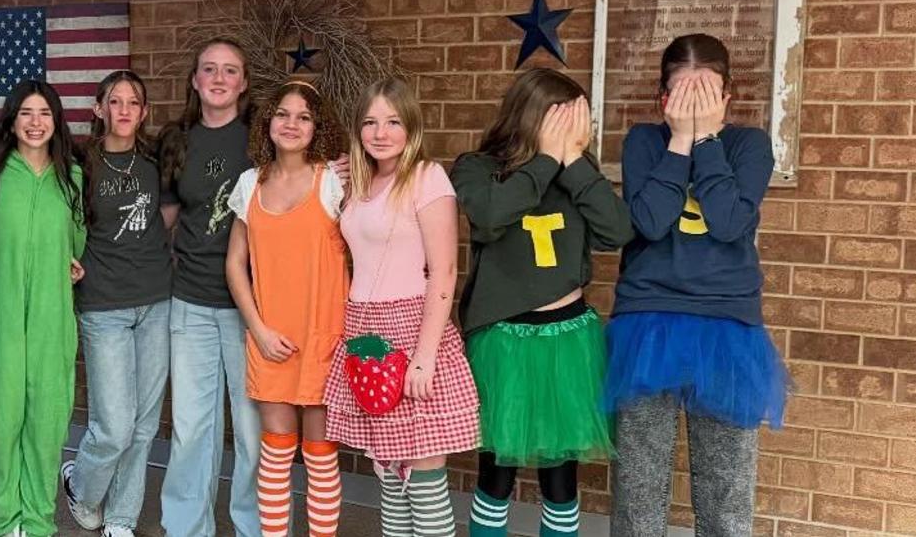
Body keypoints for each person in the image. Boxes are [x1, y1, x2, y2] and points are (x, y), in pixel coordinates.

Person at [607, 34, 786, 537]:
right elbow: (649, 220)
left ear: (727, 95)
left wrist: (707, 140)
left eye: (704, 93)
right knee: (639, 487)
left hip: (726, 323)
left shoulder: (749, 145)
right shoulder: (644, 142)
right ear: (662, 97)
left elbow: (728, 222)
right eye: (682, 93)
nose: (692, 104)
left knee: (726, 490)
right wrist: (680, 141)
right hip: (648, 321)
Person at [451, 69, 632, 537]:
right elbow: (490, 215)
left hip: (567, 339)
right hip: (503, 340)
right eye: (565, 118)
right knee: (496, 473)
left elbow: (617, 231)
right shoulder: (477, 167)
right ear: (535, 115)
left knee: (560, 478)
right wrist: (547, 159)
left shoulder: (577, 173)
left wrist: (573, 163)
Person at [324, 78, 481, 537]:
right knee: (391, 480)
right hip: (364, 333)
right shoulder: (357, 182)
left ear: (411, 126)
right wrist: (329, 179)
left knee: (424, 482)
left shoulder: (427, 177)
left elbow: (444, 272)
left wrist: (425, 356)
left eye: (393, 122)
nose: (381, 133)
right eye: (370, 122)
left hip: (413, 330)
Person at [225, 81, 349, 537]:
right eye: (282, 114)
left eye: (304, 117)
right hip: (271, 339)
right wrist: (258, 329)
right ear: (268, 122)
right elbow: (235, 264)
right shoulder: (249, 183)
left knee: (321, 458)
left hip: (324, 339)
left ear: (317, 128)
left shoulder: (333, 180)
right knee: (275, 456)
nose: (291, 124)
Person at [156, 39, 262, 537]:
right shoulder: (177, 141)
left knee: (252, 429)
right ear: (195, 80)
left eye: (230, 70)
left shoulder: (261, 139)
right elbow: (162, 219)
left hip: (254, 307)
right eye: (209, 69)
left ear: (243, 83)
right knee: (192, 427)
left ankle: (253, 527)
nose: (219, 78)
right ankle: (186, 526)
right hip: (191, 301)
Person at [61, 71, 173, 537]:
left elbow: (169, 216)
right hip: (103, 303)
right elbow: (62, 220)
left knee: (144, 425)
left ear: (143, 112)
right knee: (113, 427)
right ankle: (81, 488)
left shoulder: (155, 161)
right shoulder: (79, 162)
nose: (124, 110)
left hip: (156, 301)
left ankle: (122, 518)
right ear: (99, 108)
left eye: (133, 102)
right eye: (115, 101)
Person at [0, 79, 88, 537]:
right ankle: (5, 522)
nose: (35, 122)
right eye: (26, 112)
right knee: (3, 418)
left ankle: (39, 522)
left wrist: (71, 264)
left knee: (46, 418)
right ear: (11, 120)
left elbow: (76, 241)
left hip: (50, 311)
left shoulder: (72, 176)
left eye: (44, 113)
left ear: (56, 121)